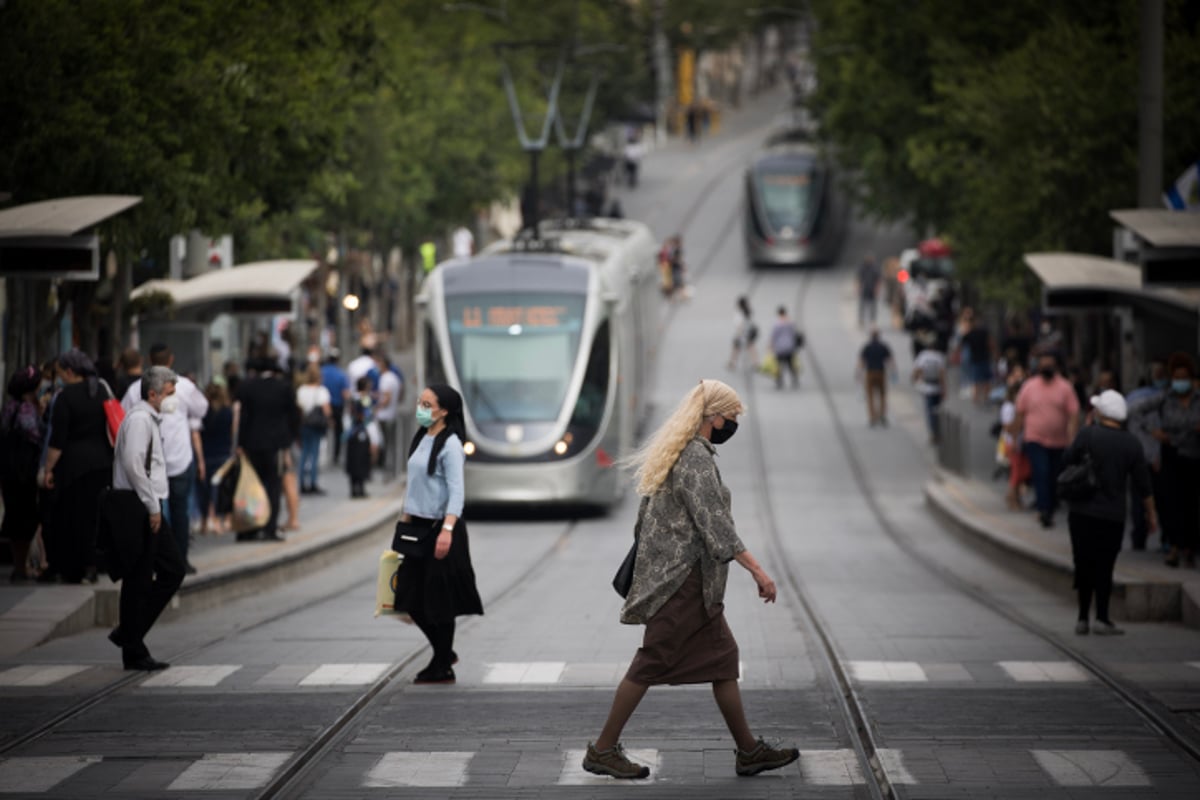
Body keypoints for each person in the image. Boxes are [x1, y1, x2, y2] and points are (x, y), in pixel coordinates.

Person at [583, 379, 797, 780]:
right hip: (682, 586)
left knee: (723, 660)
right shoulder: (694, 459)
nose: (734, 423)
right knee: (651, 661)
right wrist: (760, 573)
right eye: (731, 416)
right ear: (714, 417)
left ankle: (749, 751)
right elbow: (717, 527)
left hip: (695, 587)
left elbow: (646, 523)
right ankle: (603, 749)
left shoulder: (680, 453)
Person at [393, 385, 483, 684]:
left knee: (439, 600)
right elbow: (414, 485)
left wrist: (447, 530)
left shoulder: (451, 444)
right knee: (407, 596)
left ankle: (442, 663)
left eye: (427, 404)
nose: (421, 408)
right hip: (417, 528)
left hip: (441, 529)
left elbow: (457, 491)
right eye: (420, 402)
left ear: (444, 410)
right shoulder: (422, 437)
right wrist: (403, 524)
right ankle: (444, 653)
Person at [107, 365, 185, 670]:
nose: (173, 397)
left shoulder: (148, 418)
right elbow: (133, 464)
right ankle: (130, 639)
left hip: (144, 504)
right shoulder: (140, 420)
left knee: (144, 577)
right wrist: (153, 507)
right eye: (169, 391)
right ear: (152, 393)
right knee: (164, 572)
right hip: (140, 506)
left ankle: (131, 641)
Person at [1062, 390, 1156, 635]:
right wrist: (1152, 516)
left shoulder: (1087, 434)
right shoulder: (1132, 443)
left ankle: (1082, 618)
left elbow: (1067, 459)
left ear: (1100, 412)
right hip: (1112, 516)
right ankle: (1103, 619)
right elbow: (1143, 485)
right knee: (1105, 565)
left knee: (1083, 563)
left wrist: (1082, 433)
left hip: (1082, 513)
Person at [120, 345, 208, 575]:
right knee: (171, 514)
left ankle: (170, 561)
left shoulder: (135, 388)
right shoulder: (185, 387)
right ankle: (170, 559)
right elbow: (201, 409)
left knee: (171, 514)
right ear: (171, 359)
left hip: (169, 463)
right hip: (168, 462)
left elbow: (121, 417)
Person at [43, 350, 113, 583]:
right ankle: (93, 565)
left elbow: (57, 440)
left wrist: (48, 469)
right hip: (102, 463)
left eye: (61, 372)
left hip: (74, 467)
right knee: (94, 517)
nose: (60, 376)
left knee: (72, 518)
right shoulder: (101, 390)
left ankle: (73, 568)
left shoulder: (65, 397)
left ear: (70, 371)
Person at [235, 354, 299, 542]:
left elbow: (244, 418)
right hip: (276, 445)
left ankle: (250, 527)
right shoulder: (283, 388)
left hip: (252, 444)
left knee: (252, 485)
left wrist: (240, 444)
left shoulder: (248, 387)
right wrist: (289, 441)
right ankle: (270, 527)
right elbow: (293, 416)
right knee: (273, 485)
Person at [1014, 352, 1080, 528]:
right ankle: (1044, 509)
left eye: (1049, 364)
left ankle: (1049, 506)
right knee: (1041, 472)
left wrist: (1072, 437)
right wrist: (1014, 438)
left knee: (1053, 476)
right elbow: (1019, 413)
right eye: (1043, 364)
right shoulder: (1029, 387)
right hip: (1035, 439)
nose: (1046, 368)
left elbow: (1073, 413)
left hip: (1059, 441)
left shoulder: (1065, 387)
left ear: (1056, 366)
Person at [1152, 352, 1200, 568]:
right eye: (1176, 376)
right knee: (1171, 503)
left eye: (1184, 376)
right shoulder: (1164, 398)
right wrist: (1153, 433)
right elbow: (1136, 412)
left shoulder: (1198, 399)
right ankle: (1174, 547)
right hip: (1171, 456)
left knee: (1192, 504)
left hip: (1194, 457)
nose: (1180, 380)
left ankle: (1190, 548)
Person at [2, 366, 45, 582]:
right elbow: (36, 436)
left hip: (9, 472)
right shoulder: (28, 409)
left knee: (13, 516)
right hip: (24, 472)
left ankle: (20, 565)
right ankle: (22, 566)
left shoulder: (9, 406)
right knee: (26, 518)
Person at [1126, 359, 1170, 551]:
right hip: (1147, 458)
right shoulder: (1151, 399)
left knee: (1157, 500)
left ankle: (1163, 539)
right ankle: (1145, 536)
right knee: (1145, 500)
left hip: (1153, 458)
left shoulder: (1169, 400)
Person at [198, 383, 234, 534]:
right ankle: (222, 521)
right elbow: (232, 432)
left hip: (206, 455)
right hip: (223, 454)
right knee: (222, 490)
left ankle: (205, 522)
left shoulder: (203, 413)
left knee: (204, 490)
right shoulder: (228, 412)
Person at [296, 363, 332, 495]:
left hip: (304, 425)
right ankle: (312, 482)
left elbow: (298, 409)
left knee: (304, 453)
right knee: (315, 453)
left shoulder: (301, 390)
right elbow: (327, 410)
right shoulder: (321, 391)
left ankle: (301, 483)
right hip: (316, 426)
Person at [856, 327, 896, 427]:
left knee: (870, 396)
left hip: (870, 373)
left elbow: (862, 361)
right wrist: (893, 373)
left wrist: (859, 373)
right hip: (881, 372)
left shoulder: (867, 347)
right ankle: (882, 415)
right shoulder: (883, 346)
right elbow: (890, 360)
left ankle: (872, 417)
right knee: (882, 395)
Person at [374, 351, 403, 472]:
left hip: (384, 416)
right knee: (390, 442)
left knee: (383, 442)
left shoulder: (385, 379)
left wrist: (377, 408)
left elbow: (387, 397)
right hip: (392, 414)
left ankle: (386, 467)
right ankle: (391, 466)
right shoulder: (394, 377)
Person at [912, 344, 947, 444]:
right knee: (937, 411)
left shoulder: (923, 356)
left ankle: (933, 434)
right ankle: (938, 432)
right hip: (937, 387)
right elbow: (942, 374)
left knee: (930, 413)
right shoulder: (939, 357)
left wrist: (915, 379)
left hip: (927, 388)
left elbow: (917, 370)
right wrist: (944, 389)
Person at [320, 351, 350, 465]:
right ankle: (335, 456)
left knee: (323, 430)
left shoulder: (322, 372)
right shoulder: (341, 374)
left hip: (323, 406)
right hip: (337, 406)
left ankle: (322, 455)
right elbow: (345, 393)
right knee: (338, 431)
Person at [960, 314, 995, 406]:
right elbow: (991, 344)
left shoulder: (969, 334)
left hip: (975, 360)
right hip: (985, 358)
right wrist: (994, 354)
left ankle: (976, 400)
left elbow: (961, 345)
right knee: (986, 380)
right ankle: (986, 398)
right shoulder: (983, 332)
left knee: (976, 381)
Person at [768, 306, 803, 390]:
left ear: (779, 313)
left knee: (779, 365)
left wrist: (771, 346)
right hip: (790, 347)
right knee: (791, 364)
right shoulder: (791, 323)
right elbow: (795, 334)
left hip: (780, 348)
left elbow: (774, 336)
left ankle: (779, 381)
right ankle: (794, 379)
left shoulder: (777, 324)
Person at [727, 296, 758, 371]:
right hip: (749, 333)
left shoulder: (740, 313)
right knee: (751, 347)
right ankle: (755, 363)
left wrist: (738, 335)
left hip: (742, 334)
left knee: (736, 348)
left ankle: (732, 363)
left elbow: (740, 326)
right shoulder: (747, 311)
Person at [857, 254, 881, 327]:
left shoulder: (875, 268)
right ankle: (861, 320)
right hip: (865, 289)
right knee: (862, 306)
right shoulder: (863, 267)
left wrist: (877, 289)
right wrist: (858, 288)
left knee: (873, 306)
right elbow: (859, 278)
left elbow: (878, 280)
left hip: (872, 289)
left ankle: (872, 321)